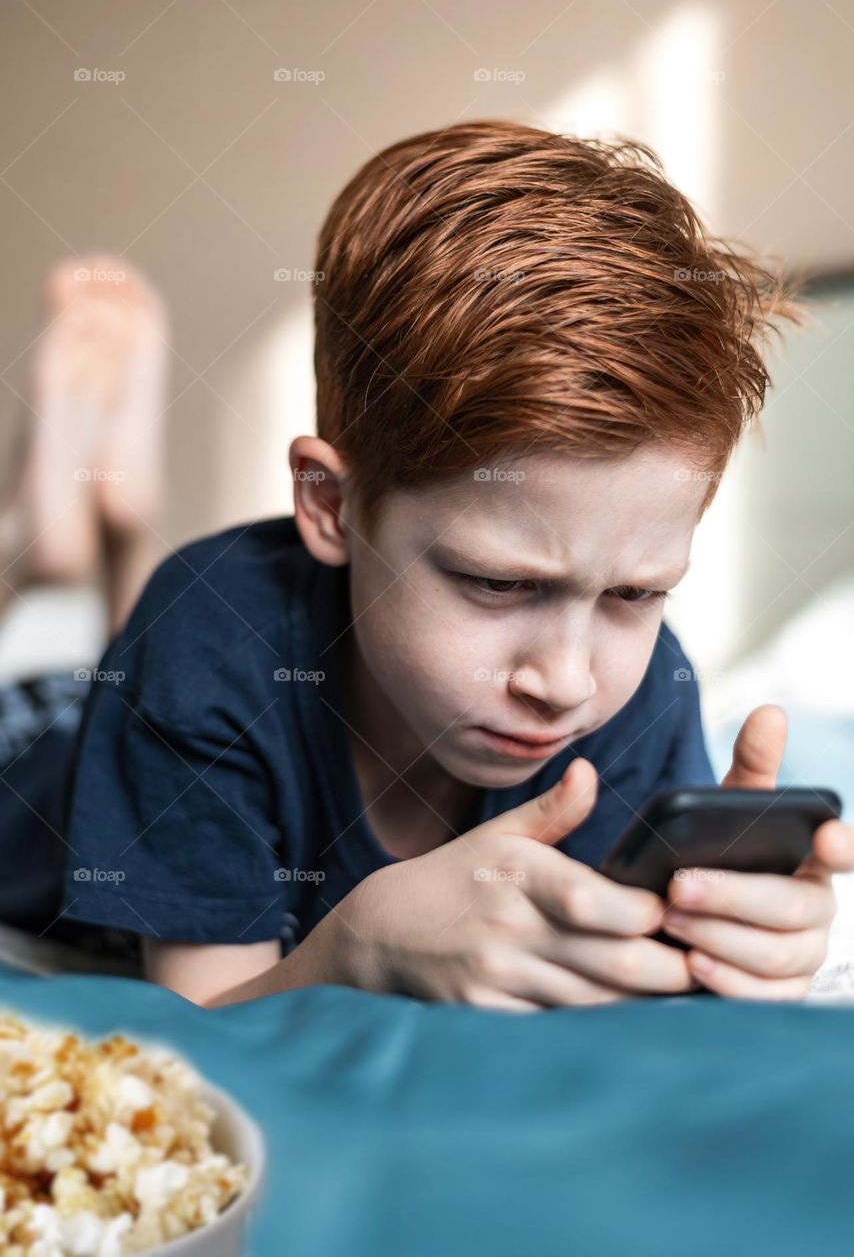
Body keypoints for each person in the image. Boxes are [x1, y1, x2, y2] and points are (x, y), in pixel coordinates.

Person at [55, 122, 852, 1010]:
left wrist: (726, 944)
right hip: (36, 758)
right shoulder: (208, 650)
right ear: (329, 505)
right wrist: (351, 949)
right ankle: (101, 517)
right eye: (500, 584)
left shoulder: (646, 691)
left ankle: (114, 522)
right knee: (113, 644)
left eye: (635, 593)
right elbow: (202, 1023)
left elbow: (605, 988)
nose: (565, 680)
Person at [0, 254, 167, 975]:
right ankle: (120, 525)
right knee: (151, 718)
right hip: (96, 730)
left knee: (142, 718)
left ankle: (28, 532)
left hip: (40, 747)